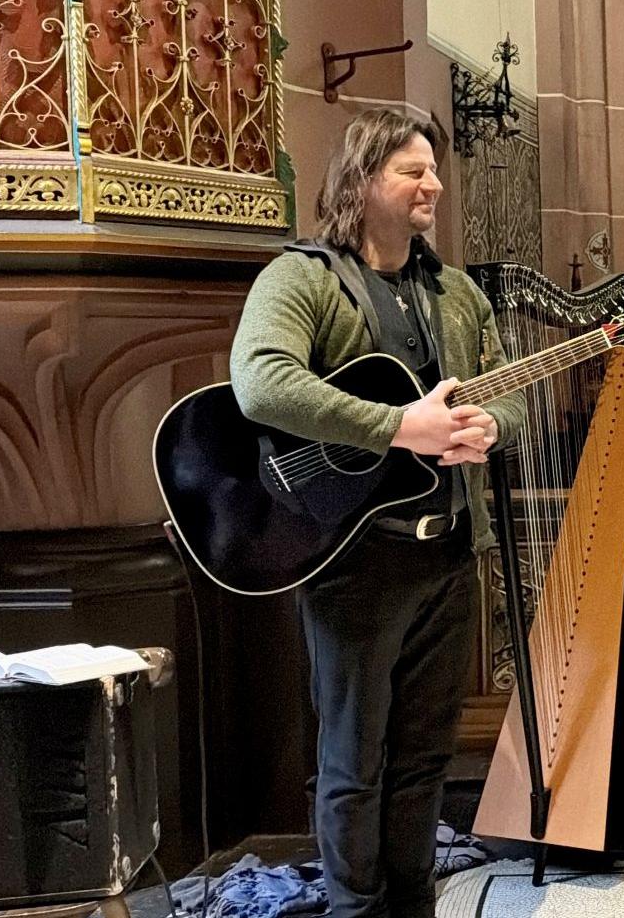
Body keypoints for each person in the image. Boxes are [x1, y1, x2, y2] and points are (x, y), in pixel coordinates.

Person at [229, 109, 527, 918]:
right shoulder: (302, 279)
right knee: (354, 760)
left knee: (425, 757)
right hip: (356, 560)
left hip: (449, 556)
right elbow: (261, 383)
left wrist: (492, 426)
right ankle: (355, 911)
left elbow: (512, 399)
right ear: (362, 181)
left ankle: (412, 905)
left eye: (432, 170)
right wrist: (401, 425)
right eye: (411, 170)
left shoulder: (455, 292)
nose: (432, 184)